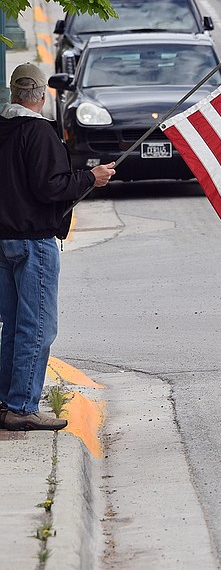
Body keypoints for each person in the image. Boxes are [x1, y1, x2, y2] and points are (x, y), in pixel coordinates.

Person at [0, 64, 115, 432]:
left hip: (4, 239)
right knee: (36, 327)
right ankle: (22, 406)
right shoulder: (38, 131)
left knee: (14, 324)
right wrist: (90, 178)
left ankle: (5, 401)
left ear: (13, 93)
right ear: (41, 95)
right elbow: (50, 187)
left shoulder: (3, 129)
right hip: (34, 241)